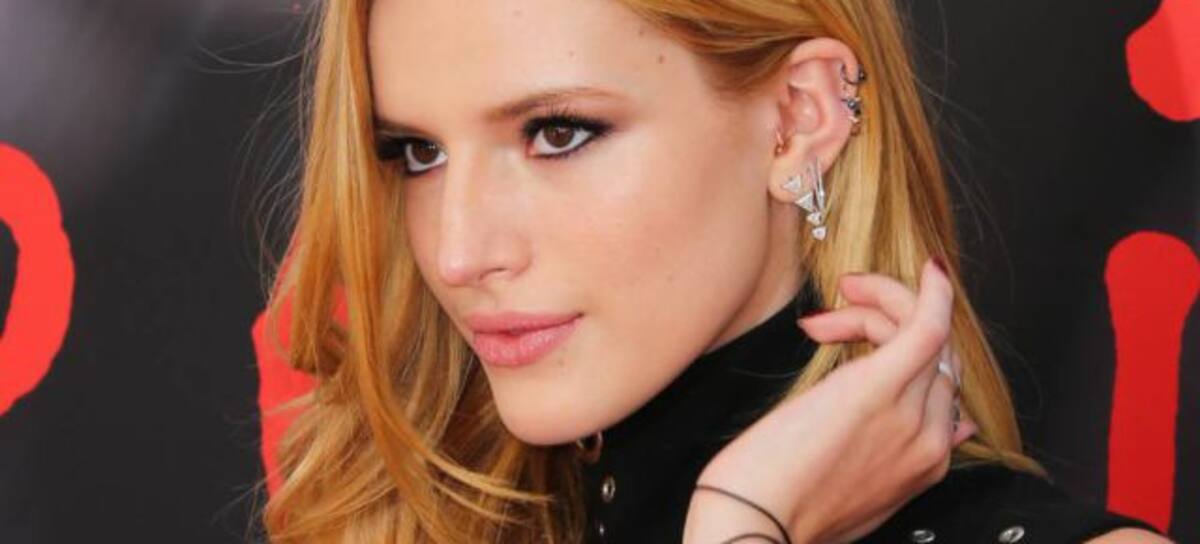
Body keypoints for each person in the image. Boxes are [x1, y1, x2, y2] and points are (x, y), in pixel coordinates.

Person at [259, 0, 1171, 542]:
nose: (458, 253)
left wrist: (741, 523)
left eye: (557, 133)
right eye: (416, 152)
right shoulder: (402, 521)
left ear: (799, 118)